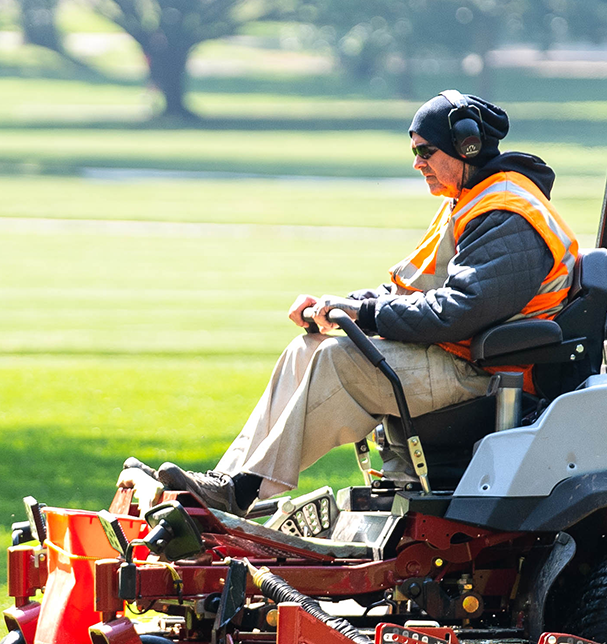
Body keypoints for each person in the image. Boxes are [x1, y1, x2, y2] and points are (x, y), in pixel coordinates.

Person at [150, 91, 580, 515]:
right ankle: (221, 487)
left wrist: (366, 315)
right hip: (461, 361)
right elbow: (410, 288)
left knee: (337, 361)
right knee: (306, 350)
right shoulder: (470, 199)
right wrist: (342, 305)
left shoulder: (507, 214)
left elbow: (457, 312)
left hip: (492, 378)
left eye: (426, 151)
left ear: (466, 146)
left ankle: (242, 492)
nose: (417, 163)